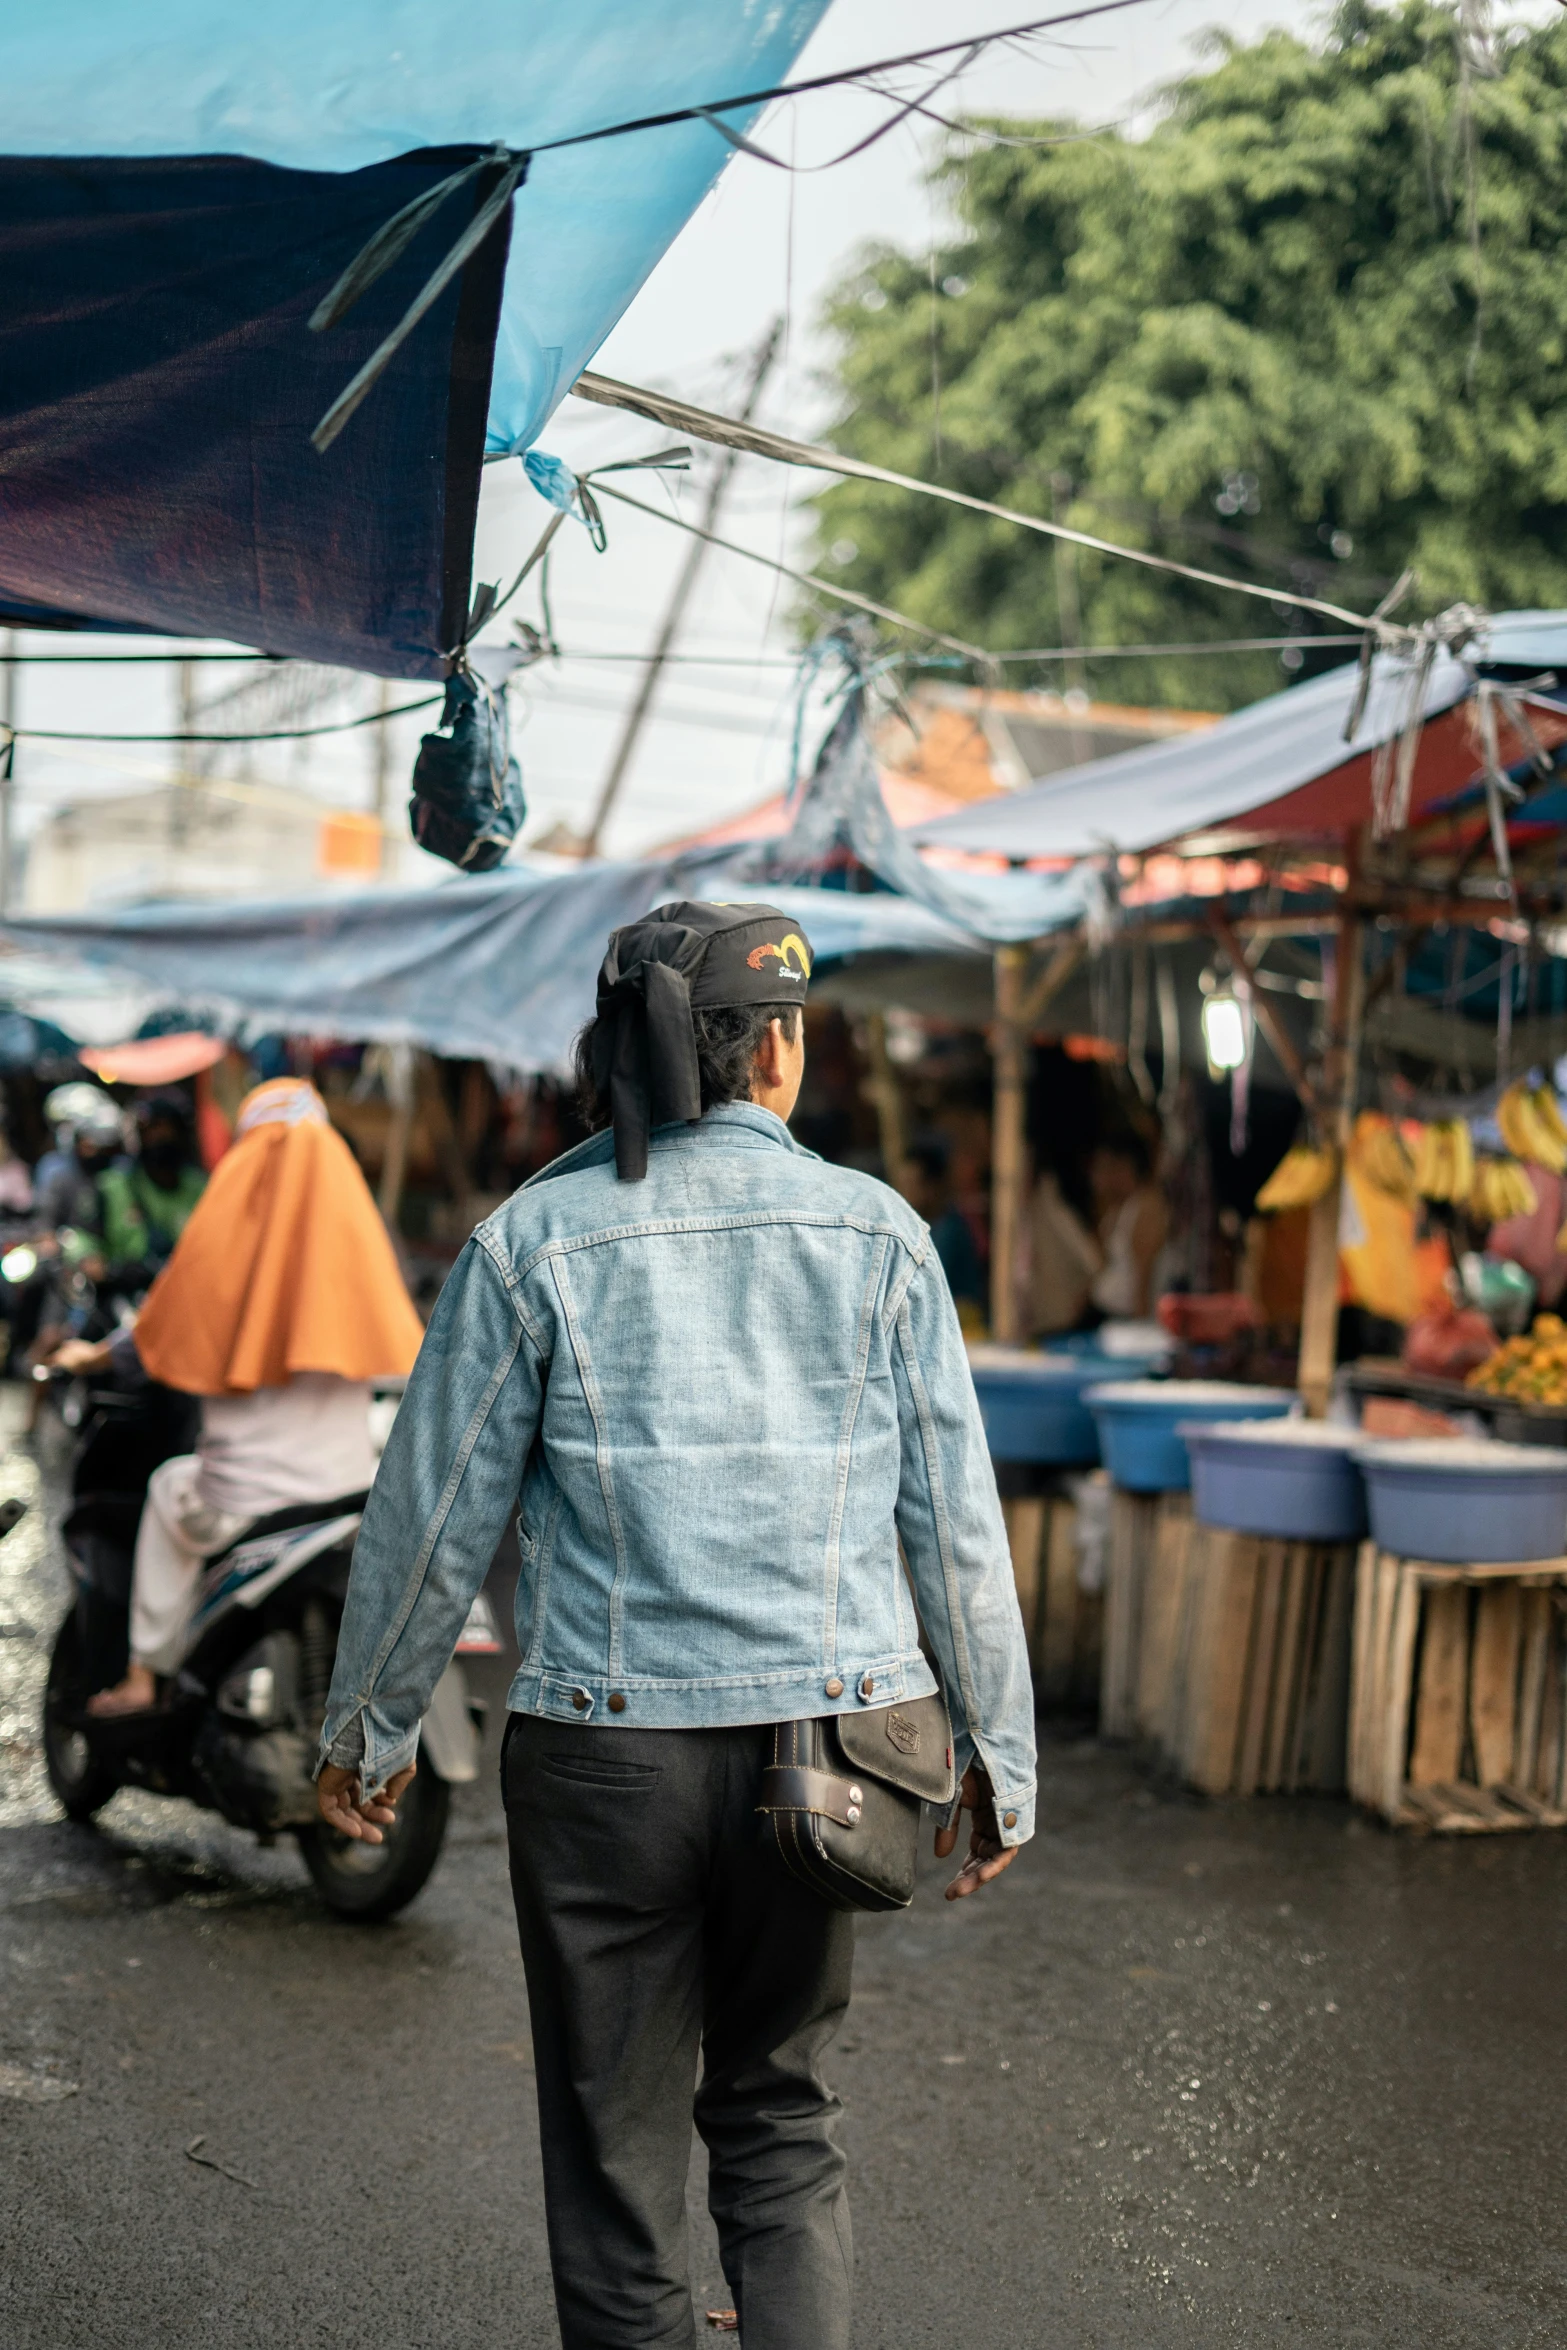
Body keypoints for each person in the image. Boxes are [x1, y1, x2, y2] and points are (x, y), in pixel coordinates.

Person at [316, 901, 1036, 2350]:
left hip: (603, 1758)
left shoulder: (530, 1241)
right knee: (779, 2117)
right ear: (771, 1050)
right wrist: (994, 1756)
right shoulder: (878, 1236)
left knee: (614, 2152)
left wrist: (367, 1731)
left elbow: (429, 1513)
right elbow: (953, 1526)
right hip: (826, 1756)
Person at [53, 1078, 424, 1716]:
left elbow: (154, 1332)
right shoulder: (362, 1241)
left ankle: (143, 1676)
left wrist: (88, 1355)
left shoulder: (219, 1235)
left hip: (242, 1500)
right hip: (343, 1492)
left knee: (171, 1488)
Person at [96, 1091, 207, 1286]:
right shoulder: (113, 1186)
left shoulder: (200, 1186)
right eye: (149, 1131)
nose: (157, 1138)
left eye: (166, 1130)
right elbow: (85, 1236)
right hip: (129, 1294)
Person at [1088, 1135, 1168, 1323]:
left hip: (1128, 1319)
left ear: (1125, 1167)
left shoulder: (1146, 1206)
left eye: (1104, 1168)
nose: (1097, 1177)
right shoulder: (1117, 1208)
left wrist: (1139, 1328)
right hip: (1108, 1313)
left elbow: (1144, 1276)